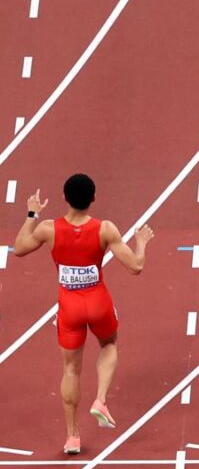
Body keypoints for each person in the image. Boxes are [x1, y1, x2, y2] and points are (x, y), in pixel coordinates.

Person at [13, 174, 154, 454]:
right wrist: (142, 242)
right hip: (98, 302)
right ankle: (100, 398)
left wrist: (32, 213)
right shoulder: (105, 229)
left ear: (65, 198)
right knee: (110, 344)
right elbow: (136, 267)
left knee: (70, 369)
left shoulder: (48, 229)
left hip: (69, 307)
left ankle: (72, 437)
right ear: (94, 199)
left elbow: (19, 248)